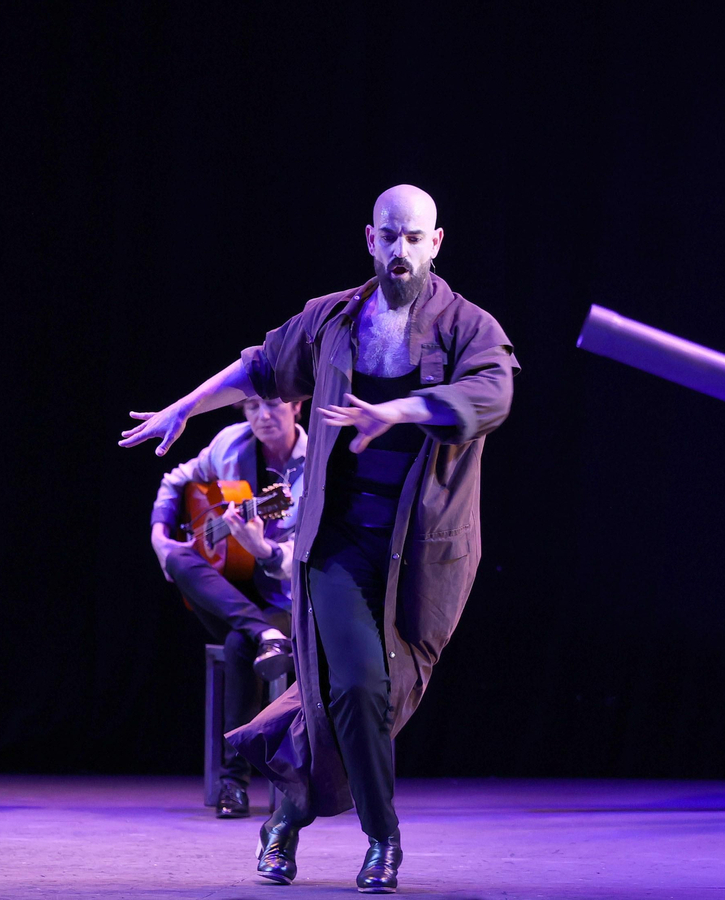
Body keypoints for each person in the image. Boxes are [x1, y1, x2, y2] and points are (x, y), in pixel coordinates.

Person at [120, 185, 516, 893]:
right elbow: (261, 365)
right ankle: (383, 841)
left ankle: (286, 817)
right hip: (334, 547)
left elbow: (493, 394)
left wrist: (397, 410)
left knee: (373, 694)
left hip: (422, 555)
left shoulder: (468, 327)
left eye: (414, 239)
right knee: (359, 685)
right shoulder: (331, 320)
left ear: (437, 242)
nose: (400, 252)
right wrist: (183, 407)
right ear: (370, 238)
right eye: (389, 237)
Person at [150, 395, 306, 818]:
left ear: (297, 406)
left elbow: (311, 555)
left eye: (273, 404)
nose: (262, 415)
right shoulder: (229, 443)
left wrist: (266, 550)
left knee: (241, 645)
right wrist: (161, 531)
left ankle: (233, 783)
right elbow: (175, 480)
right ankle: (263, 634)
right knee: (178, 556)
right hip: (227, 593)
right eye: (252, 406)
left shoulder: (315, 465)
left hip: (284, 601)